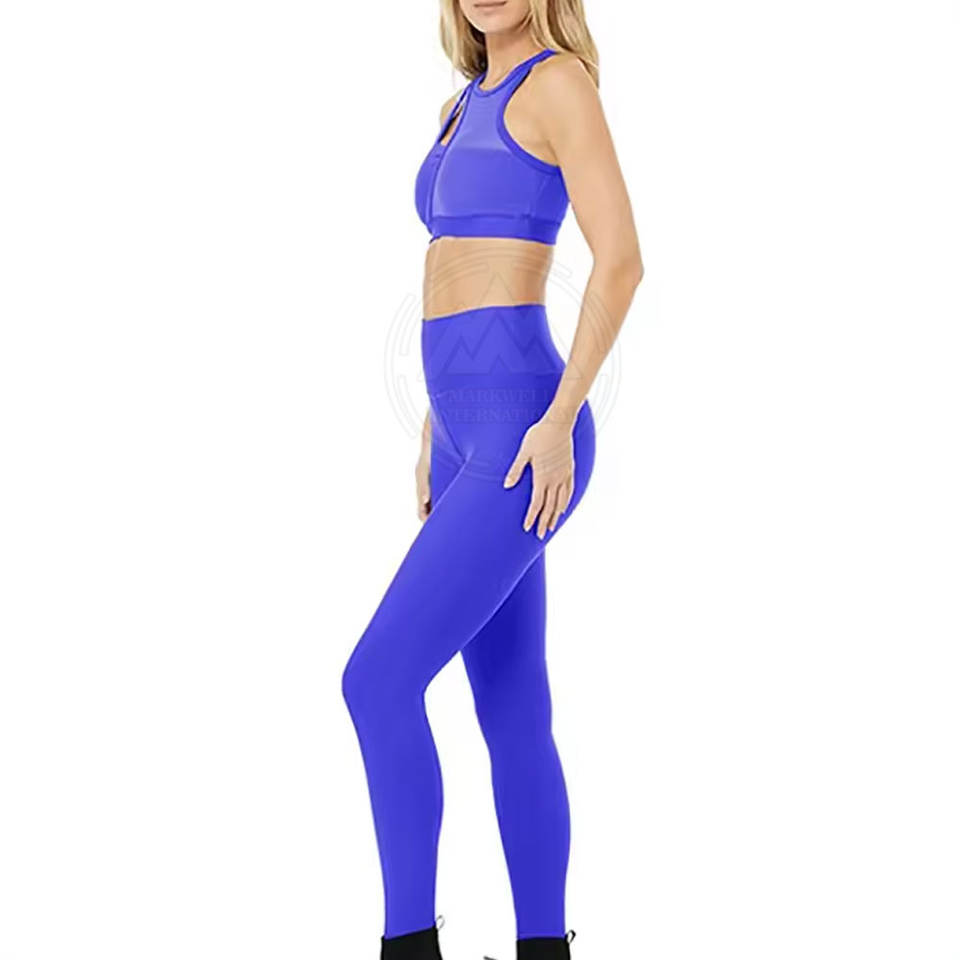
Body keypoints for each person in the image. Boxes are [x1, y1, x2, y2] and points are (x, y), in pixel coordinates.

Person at [343, 2, 642, 957]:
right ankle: (543, 946)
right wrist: (435, 424)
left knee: (376, 681)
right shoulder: (460, 103)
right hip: (463, 434)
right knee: (513, 706)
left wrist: (558, 421)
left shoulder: (559, 85)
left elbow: (622, 262)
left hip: (524, 435)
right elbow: (455, 272)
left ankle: (406, 945)